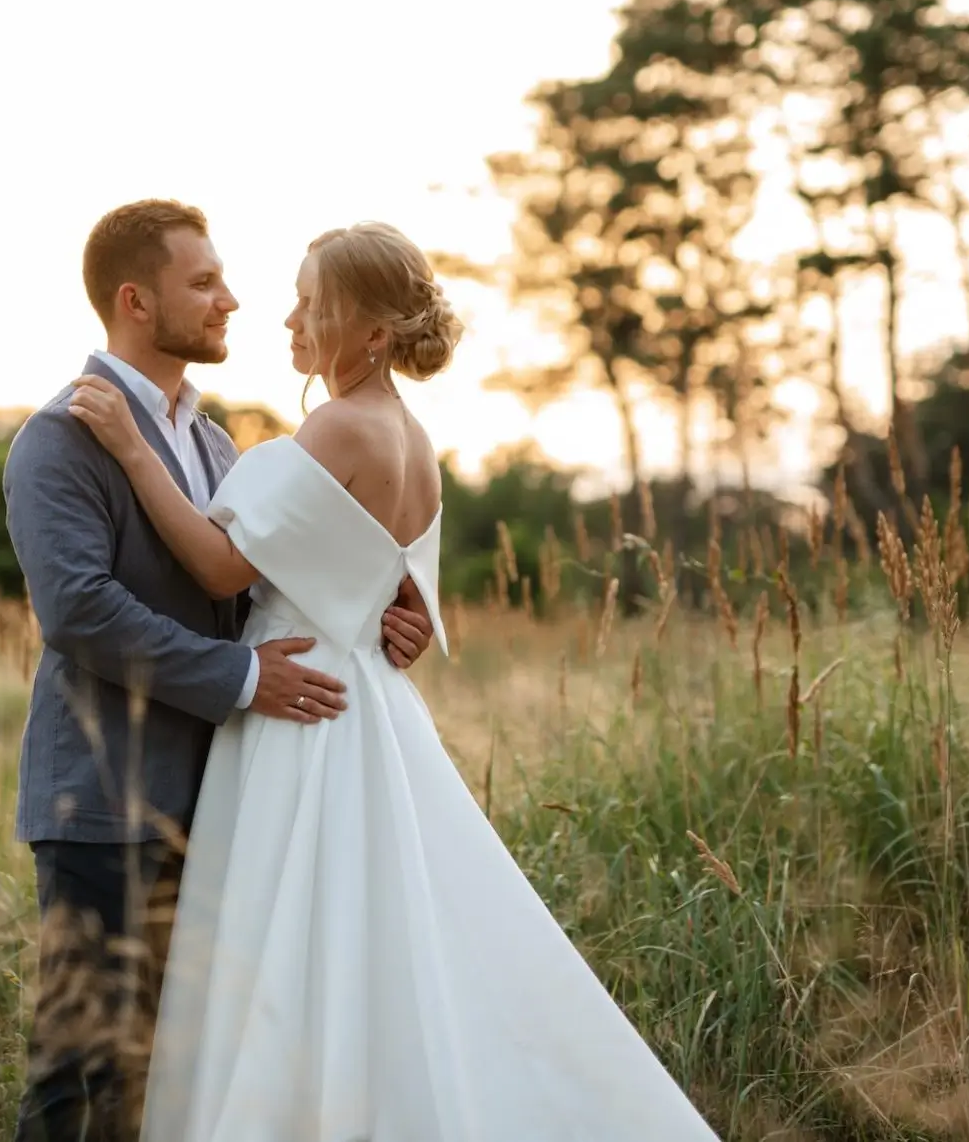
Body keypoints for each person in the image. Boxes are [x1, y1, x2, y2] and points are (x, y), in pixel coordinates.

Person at [66, 220, 721, 1141]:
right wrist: (392, 621)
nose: (290, 320)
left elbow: (219, 569)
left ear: (373, 333)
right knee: (371, 938)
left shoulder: (337, 427)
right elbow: (398, 599)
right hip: (369, 698)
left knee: (295, 938)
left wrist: (134, 453)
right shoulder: (415, 441)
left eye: (313, 305)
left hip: (300, 705)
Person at [3, 200, 435, 1142]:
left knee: (179, 1071)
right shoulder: (62, 435)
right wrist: (243, 679)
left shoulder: (212, 443)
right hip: (108, 799)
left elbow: (250, 589)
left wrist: (372, 616)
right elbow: (78, 611)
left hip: (229, 800)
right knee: (82, 1070)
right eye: (203, 283)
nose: (231, 300)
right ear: (135, 301)